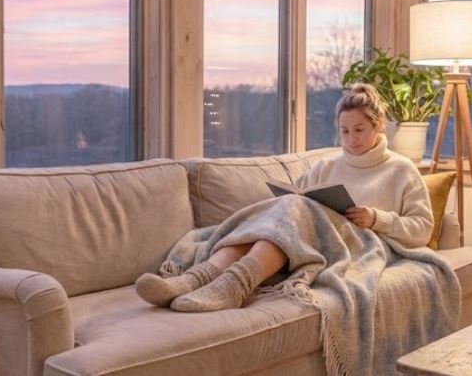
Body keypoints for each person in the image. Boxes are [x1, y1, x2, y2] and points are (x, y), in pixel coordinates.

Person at [135, 83, 434, 312]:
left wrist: (377, 219)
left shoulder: (401, 169)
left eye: (359, 130)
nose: (351, 139)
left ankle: (234, 286)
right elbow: (297, 197)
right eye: (344, 131)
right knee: (286, 211)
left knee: (295, 211)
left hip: (358, 246)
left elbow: (423, 228)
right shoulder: (328, 165)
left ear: (378, 126)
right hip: (307, 240)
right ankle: (195, 279)